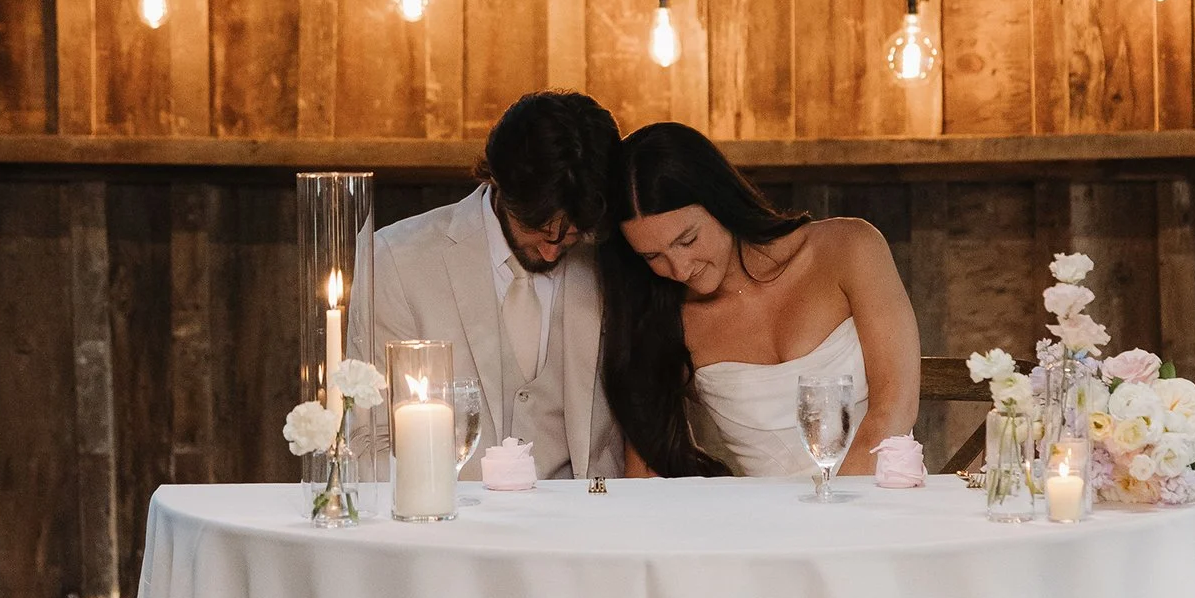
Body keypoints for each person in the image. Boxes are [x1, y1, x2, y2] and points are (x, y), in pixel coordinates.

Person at [599, 121, 920, 479]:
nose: (679, 268)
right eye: (651, 256)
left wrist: (835, 520)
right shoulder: (666, 320)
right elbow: (646, 469)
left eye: (687, 240)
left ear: (719, 200)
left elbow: (894, 407)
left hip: (878, 505)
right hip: (761, 526)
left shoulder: (850, 248)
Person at [373, 92, 623, 480]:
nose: (552, 251)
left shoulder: (615, 261)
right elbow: (369, 436)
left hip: (589, 524)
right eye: (536, 229)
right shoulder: (396, 259)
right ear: (499, 183)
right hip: (456, 526)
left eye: (571, 235)